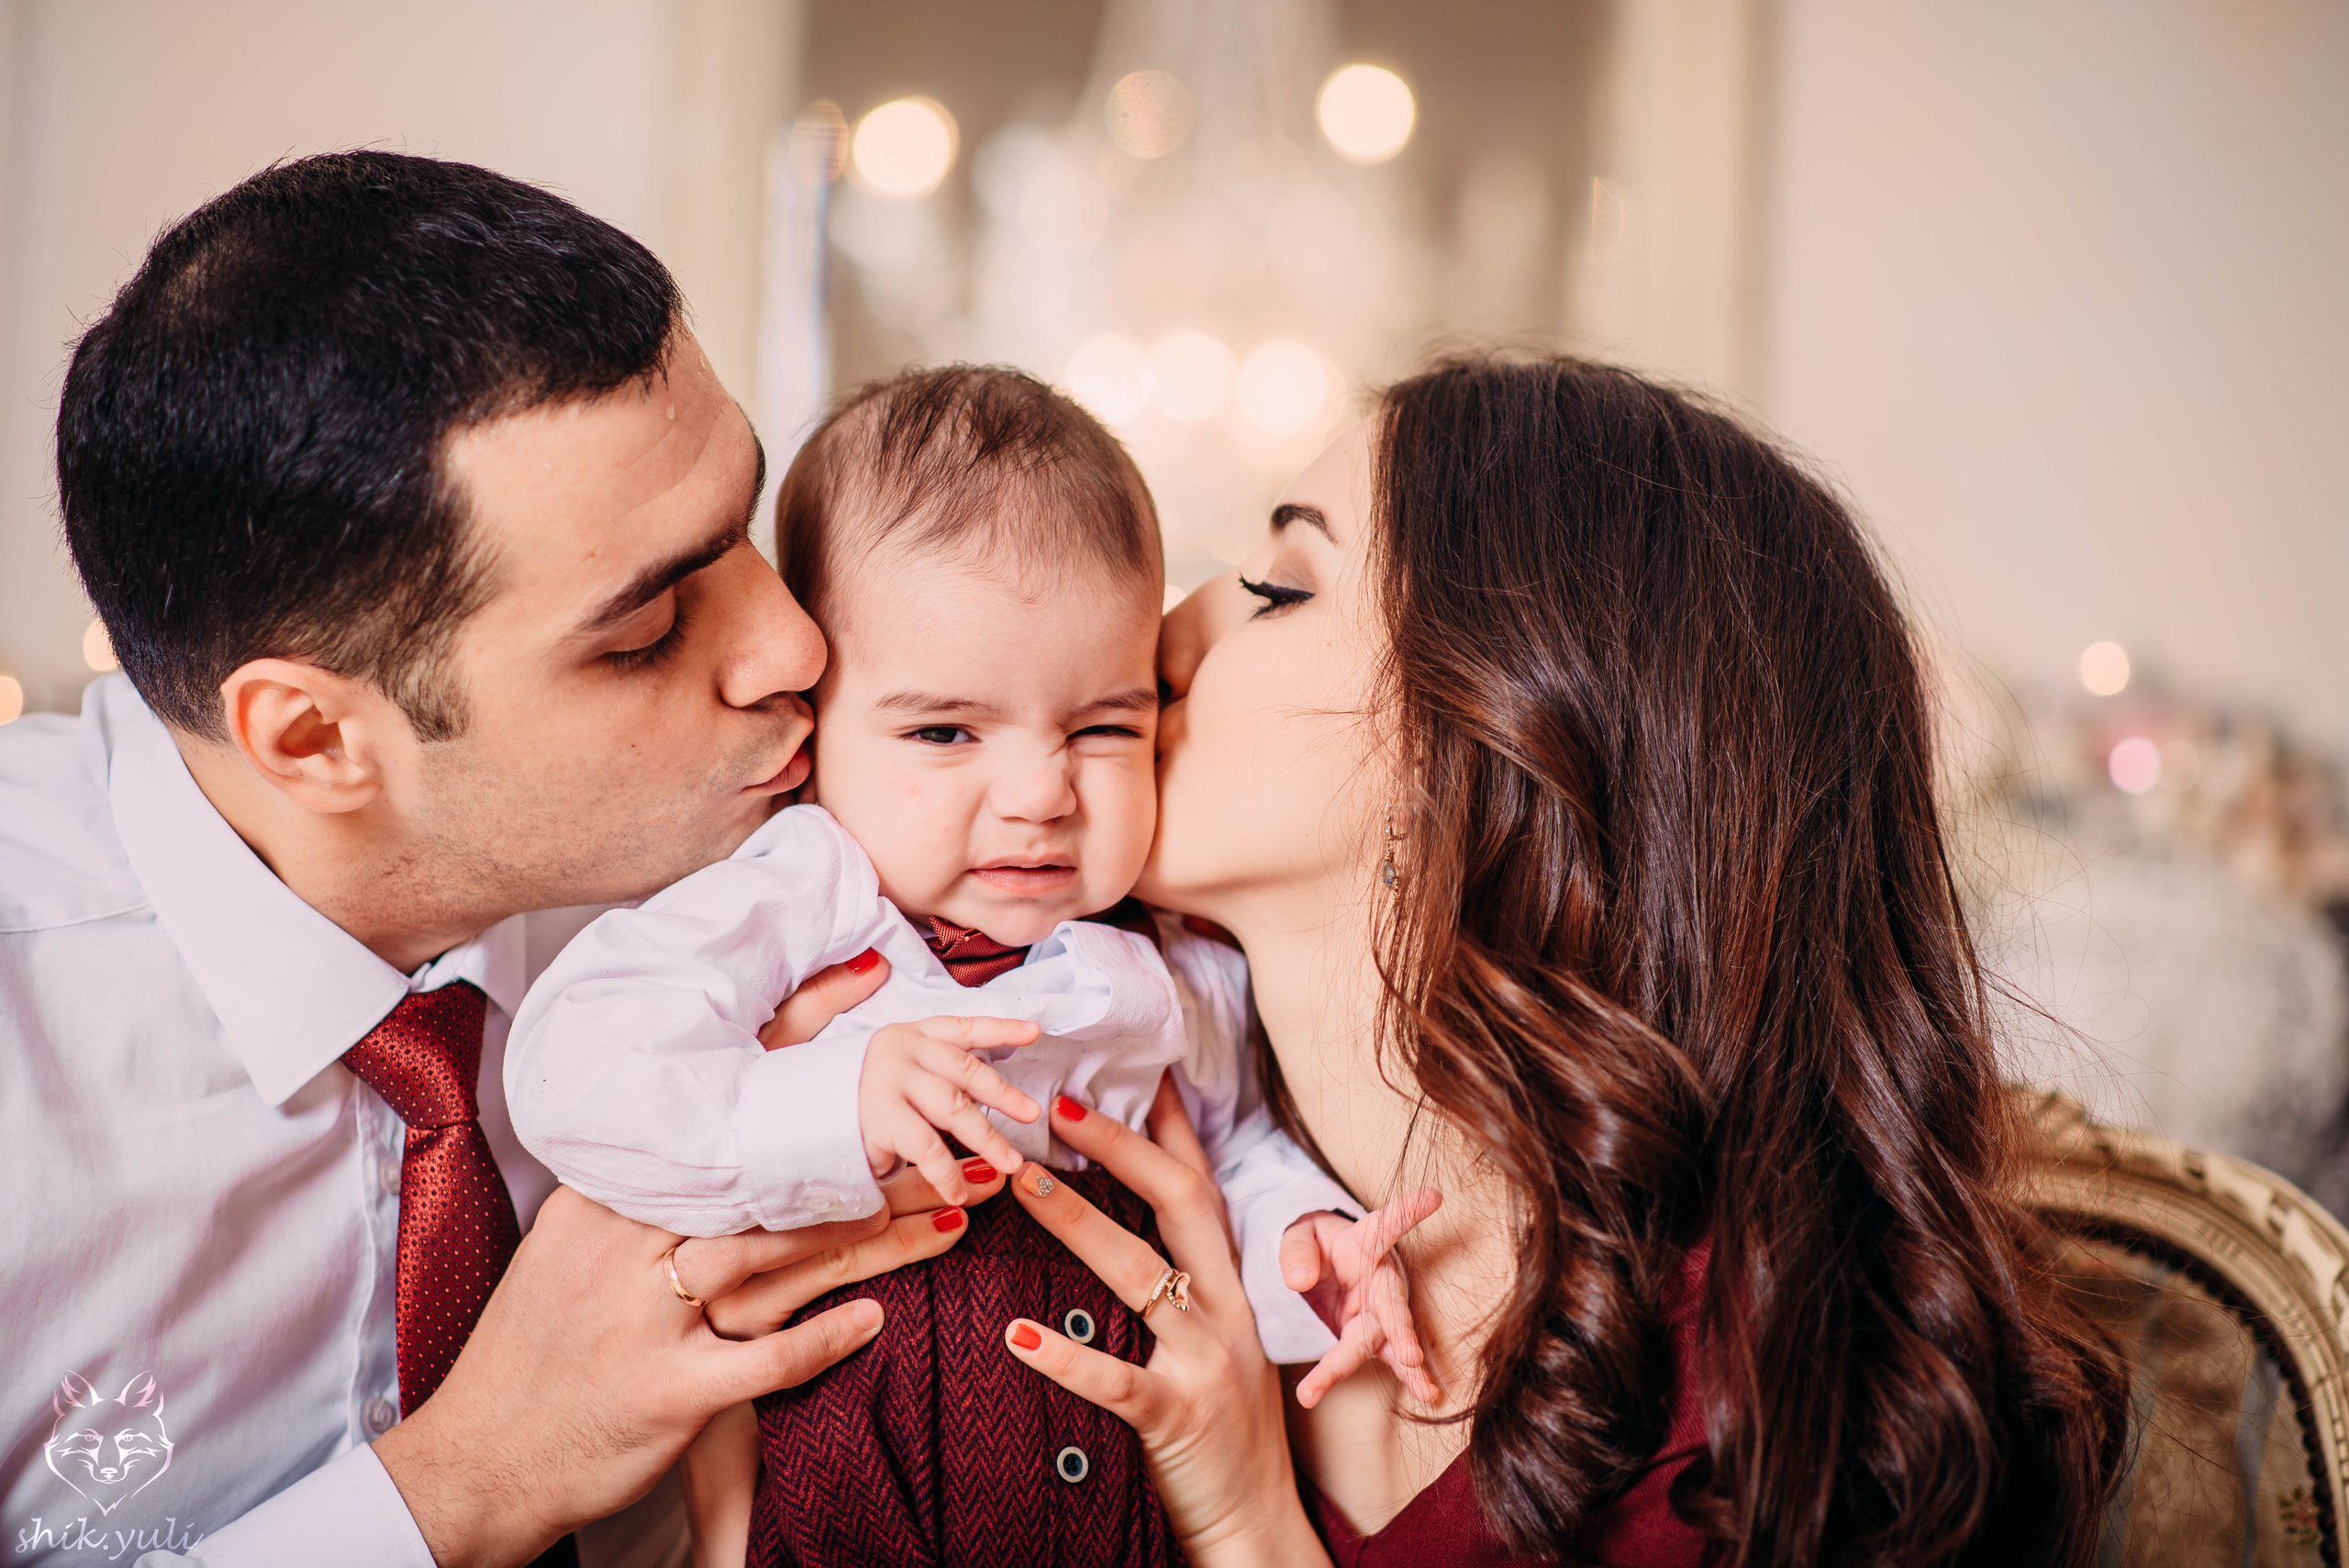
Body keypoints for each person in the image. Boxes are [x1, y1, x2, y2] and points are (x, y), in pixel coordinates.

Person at [985, 355, 2130, 1565]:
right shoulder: (1091, 1129)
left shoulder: (1750, 1427)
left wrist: (1248, 1529)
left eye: (1281, 587)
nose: (1164, 633)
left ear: (1488, 754)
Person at [0, 150, 975, 1567]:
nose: (795, 646)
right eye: (647, 631)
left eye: (743, 529)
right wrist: (472, 1477)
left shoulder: (789, 857)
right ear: (316, 738)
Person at [502, 364, 1435, 1568]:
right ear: (815, 725)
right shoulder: (800, 892)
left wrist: (1305, 1237)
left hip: (1118, 1515)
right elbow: (574, 1063)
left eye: (1104, 726)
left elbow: (1224, 1148)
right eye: (946, 731)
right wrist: (826, 1105)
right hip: (841, 1507)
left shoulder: (1169, 961)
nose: (1042, 793)